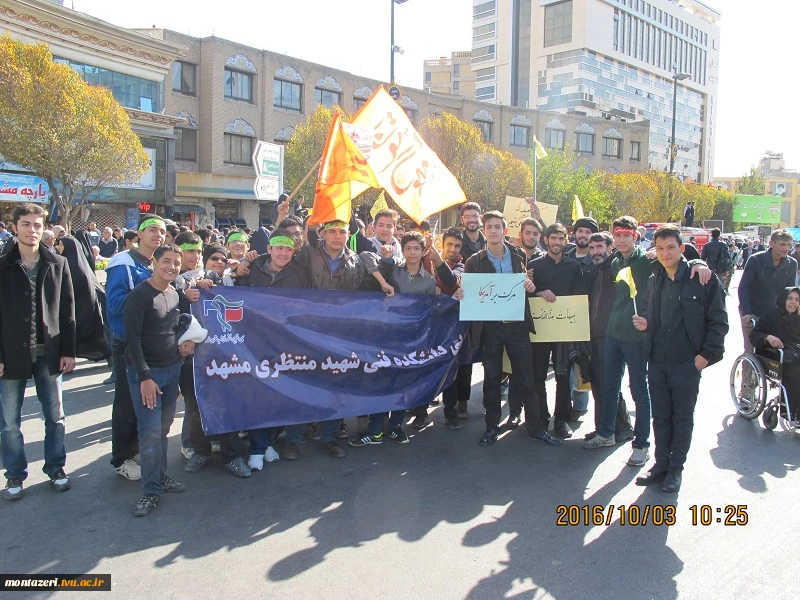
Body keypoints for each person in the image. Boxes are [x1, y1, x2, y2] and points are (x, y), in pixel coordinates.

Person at [633, 224, 728, 492]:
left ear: (681, 248)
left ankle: (676, 469)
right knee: (661, 417)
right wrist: (646, 325)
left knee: (682, 418)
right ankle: (661, 465)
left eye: (671, 247)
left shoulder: (703, 279)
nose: (665, 253)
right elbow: (655, 319)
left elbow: (718, 322)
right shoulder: (654, 280)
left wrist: (704, 358)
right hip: (658, 361)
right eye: (660, 248)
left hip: (687, 363)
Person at [461, 211, 561, 447]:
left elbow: (525, 284)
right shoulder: (474, 261)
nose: (493, 231)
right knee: (492, 379)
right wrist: (461, 293)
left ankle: (536, 428)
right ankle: (491, 427)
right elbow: (470, 294)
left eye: (498, 227)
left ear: (505, 231)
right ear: (484, 231)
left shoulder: (517, 254)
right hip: (492, 328)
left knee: (527, 378)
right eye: (489, 227)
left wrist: (529, 285)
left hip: (518, 326)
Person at [0, 203, 76, 501]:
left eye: (37, 224)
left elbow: (68, 311)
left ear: (45, 227)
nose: (32, 230)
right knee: (9, 421)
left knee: (55, 416)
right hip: (11, 354)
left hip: (50, 353)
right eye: (26, 224)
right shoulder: (3, 265)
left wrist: (68, 351)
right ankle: (15, 474)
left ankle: (56, 467)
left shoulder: (57, 263)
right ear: (15, 227)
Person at [350, 231, 445, 446]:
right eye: (408, 248)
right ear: (403, 249)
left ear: (423, 252)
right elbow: (365, 256)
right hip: (387, 338)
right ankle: (374, 431)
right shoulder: (393, 270)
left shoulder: (429, 281)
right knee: (381, 383)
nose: (412, 252)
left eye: (416, 249)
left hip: (412, 340)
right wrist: (384, 275)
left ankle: (395, 428)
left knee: (404, 385)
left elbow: (430, 311)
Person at [124, 244, 194, 516]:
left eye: (177, 263)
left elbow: (176, 329)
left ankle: (159, 477)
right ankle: (150, 490)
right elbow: (131, 341)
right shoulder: (139, 296)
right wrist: (144, 377)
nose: (172, 267)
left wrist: (188, 345)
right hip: (147, 376)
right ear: (154, 261)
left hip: (171, 370)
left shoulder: (174, 293)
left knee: (163, 431)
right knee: (151, 433)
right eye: (166, 261)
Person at [583, 216, 654, 466]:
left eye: (627, 235)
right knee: (608, 387)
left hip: (635, 337)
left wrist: (699, 262)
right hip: (612, 334)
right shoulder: (614, 262)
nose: (622, 239)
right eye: (618, 235)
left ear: (635, 236)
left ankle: (642, 445)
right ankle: (606, 434)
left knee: (639, 392)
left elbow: (679, 260)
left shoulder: (647, 261)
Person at [105, 214, 166, 481]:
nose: (157, 235)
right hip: (126, 343)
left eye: (162, 232)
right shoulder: (123, 263)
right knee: (126, 405)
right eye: (152, 229)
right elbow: (114, 305)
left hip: (149, 343)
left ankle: (135, 451)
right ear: (138, 235)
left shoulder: (153, 262)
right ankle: (121, 459)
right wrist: (148, 289)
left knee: (144, 403)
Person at [529, 223, 585, 438]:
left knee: (563, 376)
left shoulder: (573, 266)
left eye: (561, 239)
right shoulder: (534, 266)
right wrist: (538, 292)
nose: (557, 243)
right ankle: (541, 418)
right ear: (546, 240)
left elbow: (579, 297)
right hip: (541, 330)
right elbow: (527, 295)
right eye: (553, 238)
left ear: (565, 240)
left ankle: (561, 420)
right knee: (538, 376)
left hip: (564, 329)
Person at [584, 232, 634, 443]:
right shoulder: (596, 269)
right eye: (592, 248)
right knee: (600, 383)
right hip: (596, 335)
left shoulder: (618, 268)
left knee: (608, 384)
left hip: (611, 336)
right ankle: (607, 428)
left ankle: (618, 429)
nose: (596, 251)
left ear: (610, 247)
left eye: (600, 247)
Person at [737, 229, 797, 406]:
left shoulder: (791, 264)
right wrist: (747, 312)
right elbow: (743, 287)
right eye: (782, 245)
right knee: (752, 350)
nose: (786, 248)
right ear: (771, 243)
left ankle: (787, 396)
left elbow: (789, 292)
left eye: (788, 245)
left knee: (783, 350)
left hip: (775, 314)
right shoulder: (756, 260)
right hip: (753, 311)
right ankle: (747, 392)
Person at [564, 217, 599, 419]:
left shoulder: (598, 259)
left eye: (587, 232)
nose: (583, 235)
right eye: (580, 231)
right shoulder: (566, 254)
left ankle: (580, 406)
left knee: (584, 364)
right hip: (563, 320)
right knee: (565, 365)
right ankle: (565, 405)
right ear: (574, 233)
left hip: (589, 321)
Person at [750, 286, 800, 426]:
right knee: (796, 370)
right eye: (790, 298)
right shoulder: (772, 315)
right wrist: (768, 337)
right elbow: (754, 335)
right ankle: (793, 413)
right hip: (777, 356)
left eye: (797, 299)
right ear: (783, 299)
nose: (793, 302)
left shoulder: (798, 318)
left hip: (795, 352)